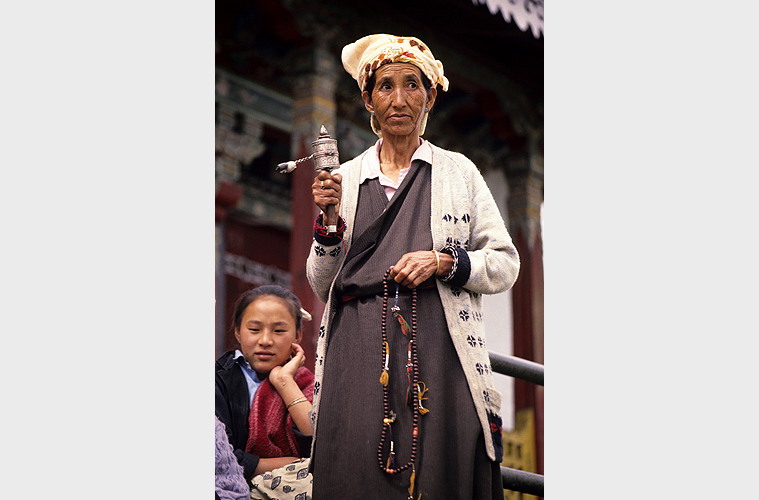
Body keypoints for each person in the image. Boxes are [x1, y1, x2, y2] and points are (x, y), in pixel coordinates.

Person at [305, 34, 521, 500]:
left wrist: (445, 261)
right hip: (357, 352)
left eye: (412, 85)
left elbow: (504, 263)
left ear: (431, 95)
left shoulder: (458, 172)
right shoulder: (344, 180)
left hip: (441, 352)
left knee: (444, 465)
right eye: (385, 86)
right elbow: (323, 284)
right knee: (355, 467)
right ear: (368, 99)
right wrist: (327, 224)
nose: (399, 99)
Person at [215, 285, 314, 499]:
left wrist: (284, 381)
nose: (265, 340)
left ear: (297, 335)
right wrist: (294, 465)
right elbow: (222, 458)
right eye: (254, 329)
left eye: (279, 331)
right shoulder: (218, 381)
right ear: (237, 332)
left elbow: (319, 442)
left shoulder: (306, 383)